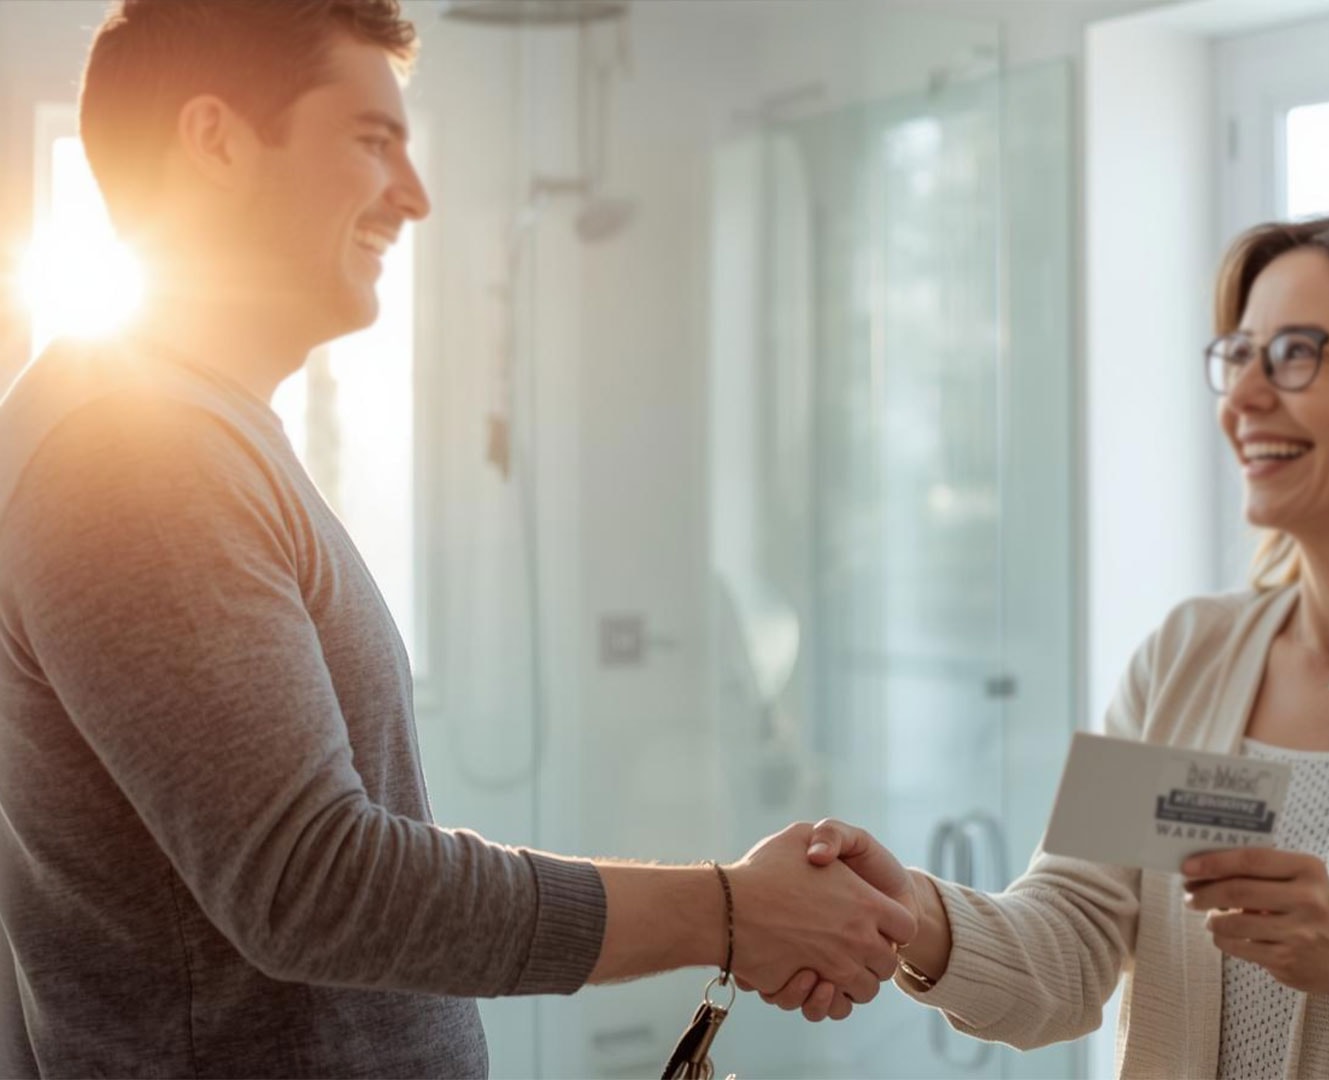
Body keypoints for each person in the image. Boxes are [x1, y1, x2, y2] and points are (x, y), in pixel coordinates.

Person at [0, 3, 914, 1076]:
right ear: (215, 142)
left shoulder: (183, 430)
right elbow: (312, 885)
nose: (415, 195)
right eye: (370, 139)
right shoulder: (137, 454)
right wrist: (727, 913)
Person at [758, 204, 1329, 1079]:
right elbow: (1068, 947)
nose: (1246, 397)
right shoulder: (1191, 656)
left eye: (1296, 353)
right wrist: (912, 911)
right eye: (1238, 355)